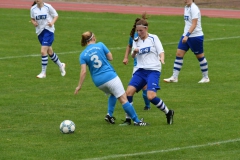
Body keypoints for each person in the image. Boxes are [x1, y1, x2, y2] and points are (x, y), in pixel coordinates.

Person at [74, 31, 148, 126]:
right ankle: (137, 121)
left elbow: (83, 71)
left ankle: (109, 115)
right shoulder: (100, 45)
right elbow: (111, 57)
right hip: (110, 77)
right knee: (123, 99)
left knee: (113, 93)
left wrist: (79, 86)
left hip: (99, 82)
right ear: (93, 38)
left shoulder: (83, 55)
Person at [123, 13, 174, 125]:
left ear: (146, 29)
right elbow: (132, 56)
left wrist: (162, 58)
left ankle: (168, 112)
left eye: (141, 31)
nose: (139, 33)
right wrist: (134, 53)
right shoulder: (136, 40)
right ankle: (128, 120)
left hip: (153, 71)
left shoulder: (153, 38)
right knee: (128, 93)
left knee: (151, 96)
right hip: (140, 71)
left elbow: (161, 51)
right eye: (137, 31)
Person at [164, 0, 209, 83]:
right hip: (185, 35)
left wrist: (187, 35)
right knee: (179, 54)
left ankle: (206, 77)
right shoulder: (186, 7)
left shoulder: (194, 8)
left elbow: (194, 24)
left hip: (195, 37)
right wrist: (186, 35)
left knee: (200, 56)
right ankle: (174, 77)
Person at [30, 0, 66, 78]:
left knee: (43, 51)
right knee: (50, 52)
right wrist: (34, 23)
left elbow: (56, 15)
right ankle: (61, 65)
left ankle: (43, 73)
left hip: (48, 31)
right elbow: (32, 18)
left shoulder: (48, 6)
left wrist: (52, 23)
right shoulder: (33, 9)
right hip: (40, 32)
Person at [123, 17, 151, 110]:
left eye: (141, 30)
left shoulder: (148, 37)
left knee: (144, 86)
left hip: (147, 66)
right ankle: (131, 107)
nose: (139, 32)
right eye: (138, 29)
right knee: (134, 88)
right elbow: (129, 46)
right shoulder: (133, 37)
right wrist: (126, 57)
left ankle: (147, 106)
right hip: (137, 66)